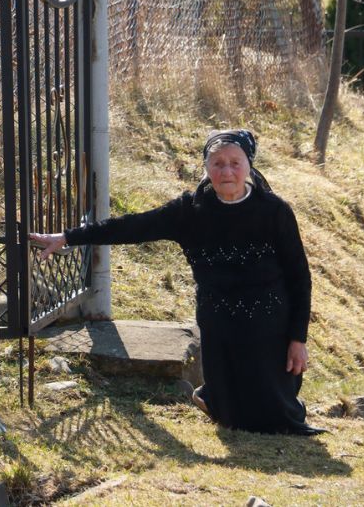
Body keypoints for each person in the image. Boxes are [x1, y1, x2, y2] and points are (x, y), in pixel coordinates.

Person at [30, 130, 324, 435]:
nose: (227, 172)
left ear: (249, 165)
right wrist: (68, 237)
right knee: (231, 418)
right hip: (219, 320)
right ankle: (213, 396)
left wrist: (297, 338)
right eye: (218, 163)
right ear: (206, 168)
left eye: (235, 163)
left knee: (280, 417)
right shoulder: (190, 211)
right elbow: (131, 226)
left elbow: (299, 278)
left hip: (270, 322)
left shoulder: (274, 211)